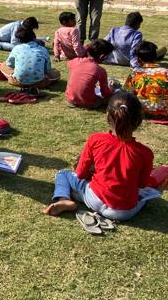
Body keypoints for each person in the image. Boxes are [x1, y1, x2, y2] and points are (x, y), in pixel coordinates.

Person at [45, 91, 161, 222]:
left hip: (95, 199)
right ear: (139, 121)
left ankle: (64, 198)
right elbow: (142, 184)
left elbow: (80, 173)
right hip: (124, 212)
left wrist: (94, 173)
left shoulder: (96, 139)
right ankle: (78, 195)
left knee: (63, 174)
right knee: (146, 196)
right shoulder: (145, 153)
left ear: (107, 116)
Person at [125, 41, 168, 118]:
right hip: (165, 109)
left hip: (141, 109)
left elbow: (129, 93)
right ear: (156, 56)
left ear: (138, 59)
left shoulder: (135, 73)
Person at [1, 25, 60, 90]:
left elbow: (10, 64)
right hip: (39, 82)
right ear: (34, 37)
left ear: (19, 39)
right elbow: (47, 70)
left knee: (3, 65)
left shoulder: (16, 48)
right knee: (56, 73)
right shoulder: (43, 50)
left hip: (18, 81)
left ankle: (15, 78)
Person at [65, 39, 118, 109]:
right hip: (88, 103)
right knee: (114, 97)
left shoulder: (76, 61)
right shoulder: (100, 71)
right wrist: (111, 89)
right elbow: (105, 93)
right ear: (102, 56)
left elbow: (69, 64)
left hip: (70, 100)